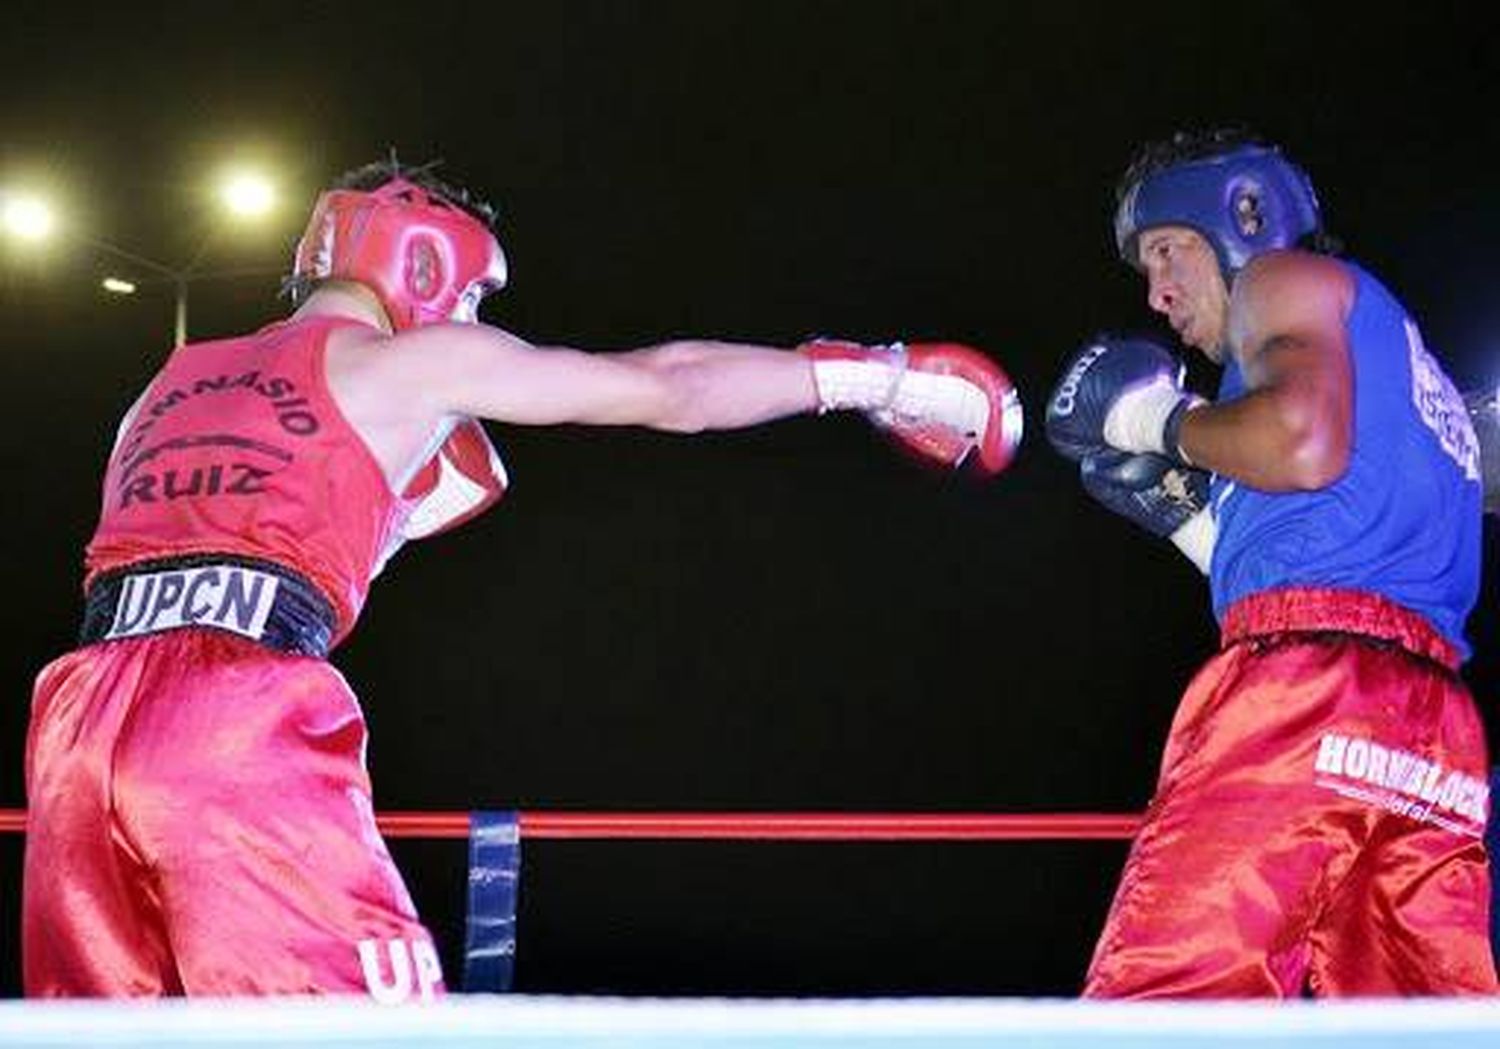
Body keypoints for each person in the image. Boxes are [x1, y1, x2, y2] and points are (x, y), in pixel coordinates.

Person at [22, 159, 1023, 999]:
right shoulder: (410, 361)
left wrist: (394, 515)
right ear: (424, 261)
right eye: (473, 293)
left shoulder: (172, 377)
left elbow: (218, 549)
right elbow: (669, 387)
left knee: (95, 1028)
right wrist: (872, 376)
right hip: (235, 716)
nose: (471, 311)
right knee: (369, 1022)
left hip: (75, 720)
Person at [1045, 129, 1495, 997]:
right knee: (1417, 1018)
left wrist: (1153, 420)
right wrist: (1184, 517)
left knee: (1170, 998)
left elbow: (1298, 444)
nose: (1158, 292)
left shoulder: (1280, 280)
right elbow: (1329, 549)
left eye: (1167, 251)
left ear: (1244, 215)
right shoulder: (1399, 364)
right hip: (1430, 731)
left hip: (1305, 689)